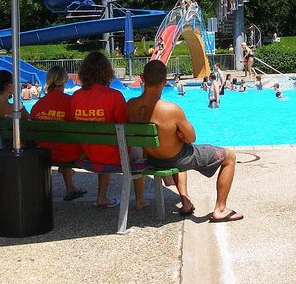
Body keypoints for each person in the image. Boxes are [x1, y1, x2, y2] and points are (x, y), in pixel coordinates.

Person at [126, 60, 242, 222]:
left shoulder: (130, 105)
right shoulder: (171, 109)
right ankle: (221, 209)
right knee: (229, 156)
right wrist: (178, 135)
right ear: (164, 82)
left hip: (153, 159)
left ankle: (185, 200)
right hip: (178, 159)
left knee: (177, 147)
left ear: (142, 78)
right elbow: (192, 137)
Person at [71, 51, 149, 209]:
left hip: (89, 154)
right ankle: (139, 200)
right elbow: (124, 127)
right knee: (139, 149)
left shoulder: (76, 96)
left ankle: (102, 197)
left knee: (102, 142)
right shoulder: (114, 96)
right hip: (113, 156)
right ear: (107, 72)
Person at [30, 66, 87, 201]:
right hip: (67, 153)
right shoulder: (71, 102)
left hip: (44, 152)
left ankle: (68, 184)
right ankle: (69, 187)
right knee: (66, 143)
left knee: (58, 142)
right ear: (65, 80)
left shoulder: (38, 105)